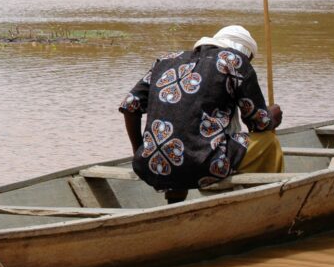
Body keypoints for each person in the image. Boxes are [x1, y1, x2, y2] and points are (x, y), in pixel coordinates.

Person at [119, 25, 284, 204]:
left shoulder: (166, 60)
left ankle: (174, 203)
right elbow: (259, 124)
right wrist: (271, 116)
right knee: (269, 142)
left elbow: (130, 106)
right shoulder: (234, 60)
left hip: (149, 166)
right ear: (243, 51)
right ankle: (273, 201)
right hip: (205, 165)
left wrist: (139, 152)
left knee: (182, 139)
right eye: (249, 59)